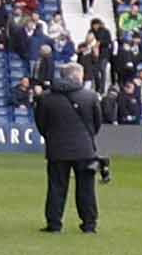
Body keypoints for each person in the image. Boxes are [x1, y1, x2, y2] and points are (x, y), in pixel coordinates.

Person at [29, 41, 107, 236]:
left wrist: (52, 137)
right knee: (86, 189)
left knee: (56, 187)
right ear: (77, 77)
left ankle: (54, 223)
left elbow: (41, 123)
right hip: (84, 149)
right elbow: (97, 123)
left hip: (57, 148)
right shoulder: (89, 97)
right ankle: (89, 224)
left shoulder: (46, 98)